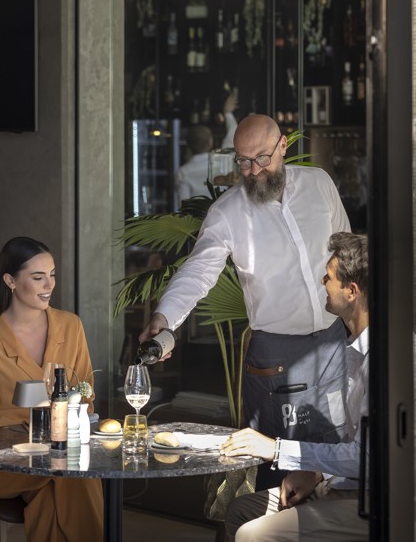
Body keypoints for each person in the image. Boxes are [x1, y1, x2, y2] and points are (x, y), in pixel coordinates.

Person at [141, 113, 352, 487]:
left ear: (283, 146)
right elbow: (198, 272)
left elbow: (346, 251)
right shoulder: (228, 212)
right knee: (277, 461)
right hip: (275, 354)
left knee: (336, 447)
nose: (253, 170)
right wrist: (165, 317)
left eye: (262, 158)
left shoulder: (319, 184)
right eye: (243, 160)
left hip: (333, 342)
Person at [220, 233, 416, 541]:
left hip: (391, 504)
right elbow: (359, 448)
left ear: (351, 291)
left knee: (253, 535)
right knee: (240, 511)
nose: (322, 282)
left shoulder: (390, 357)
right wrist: (318, 473)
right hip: (353, 487)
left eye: (329, 277)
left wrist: (276, 449)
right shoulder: (357, 349)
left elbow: (372, 458)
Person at [0, 236, 102, 542]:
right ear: (10, 281)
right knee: (73, 475)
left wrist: (66, 421)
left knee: (54, 488)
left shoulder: (71, 326)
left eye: (52, 275)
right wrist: (37, 423)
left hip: (58, 455)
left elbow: (86, 397)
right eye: (38, 278)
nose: (49, 285)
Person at [175, 90, 239, 202]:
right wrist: (227, 113)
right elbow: (233, 135)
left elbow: (183, 206)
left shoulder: (182, 173)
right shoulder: (220, 162)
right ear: (210, 143)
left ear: (188, 146)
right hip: (221, 217)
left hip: (195, 219)